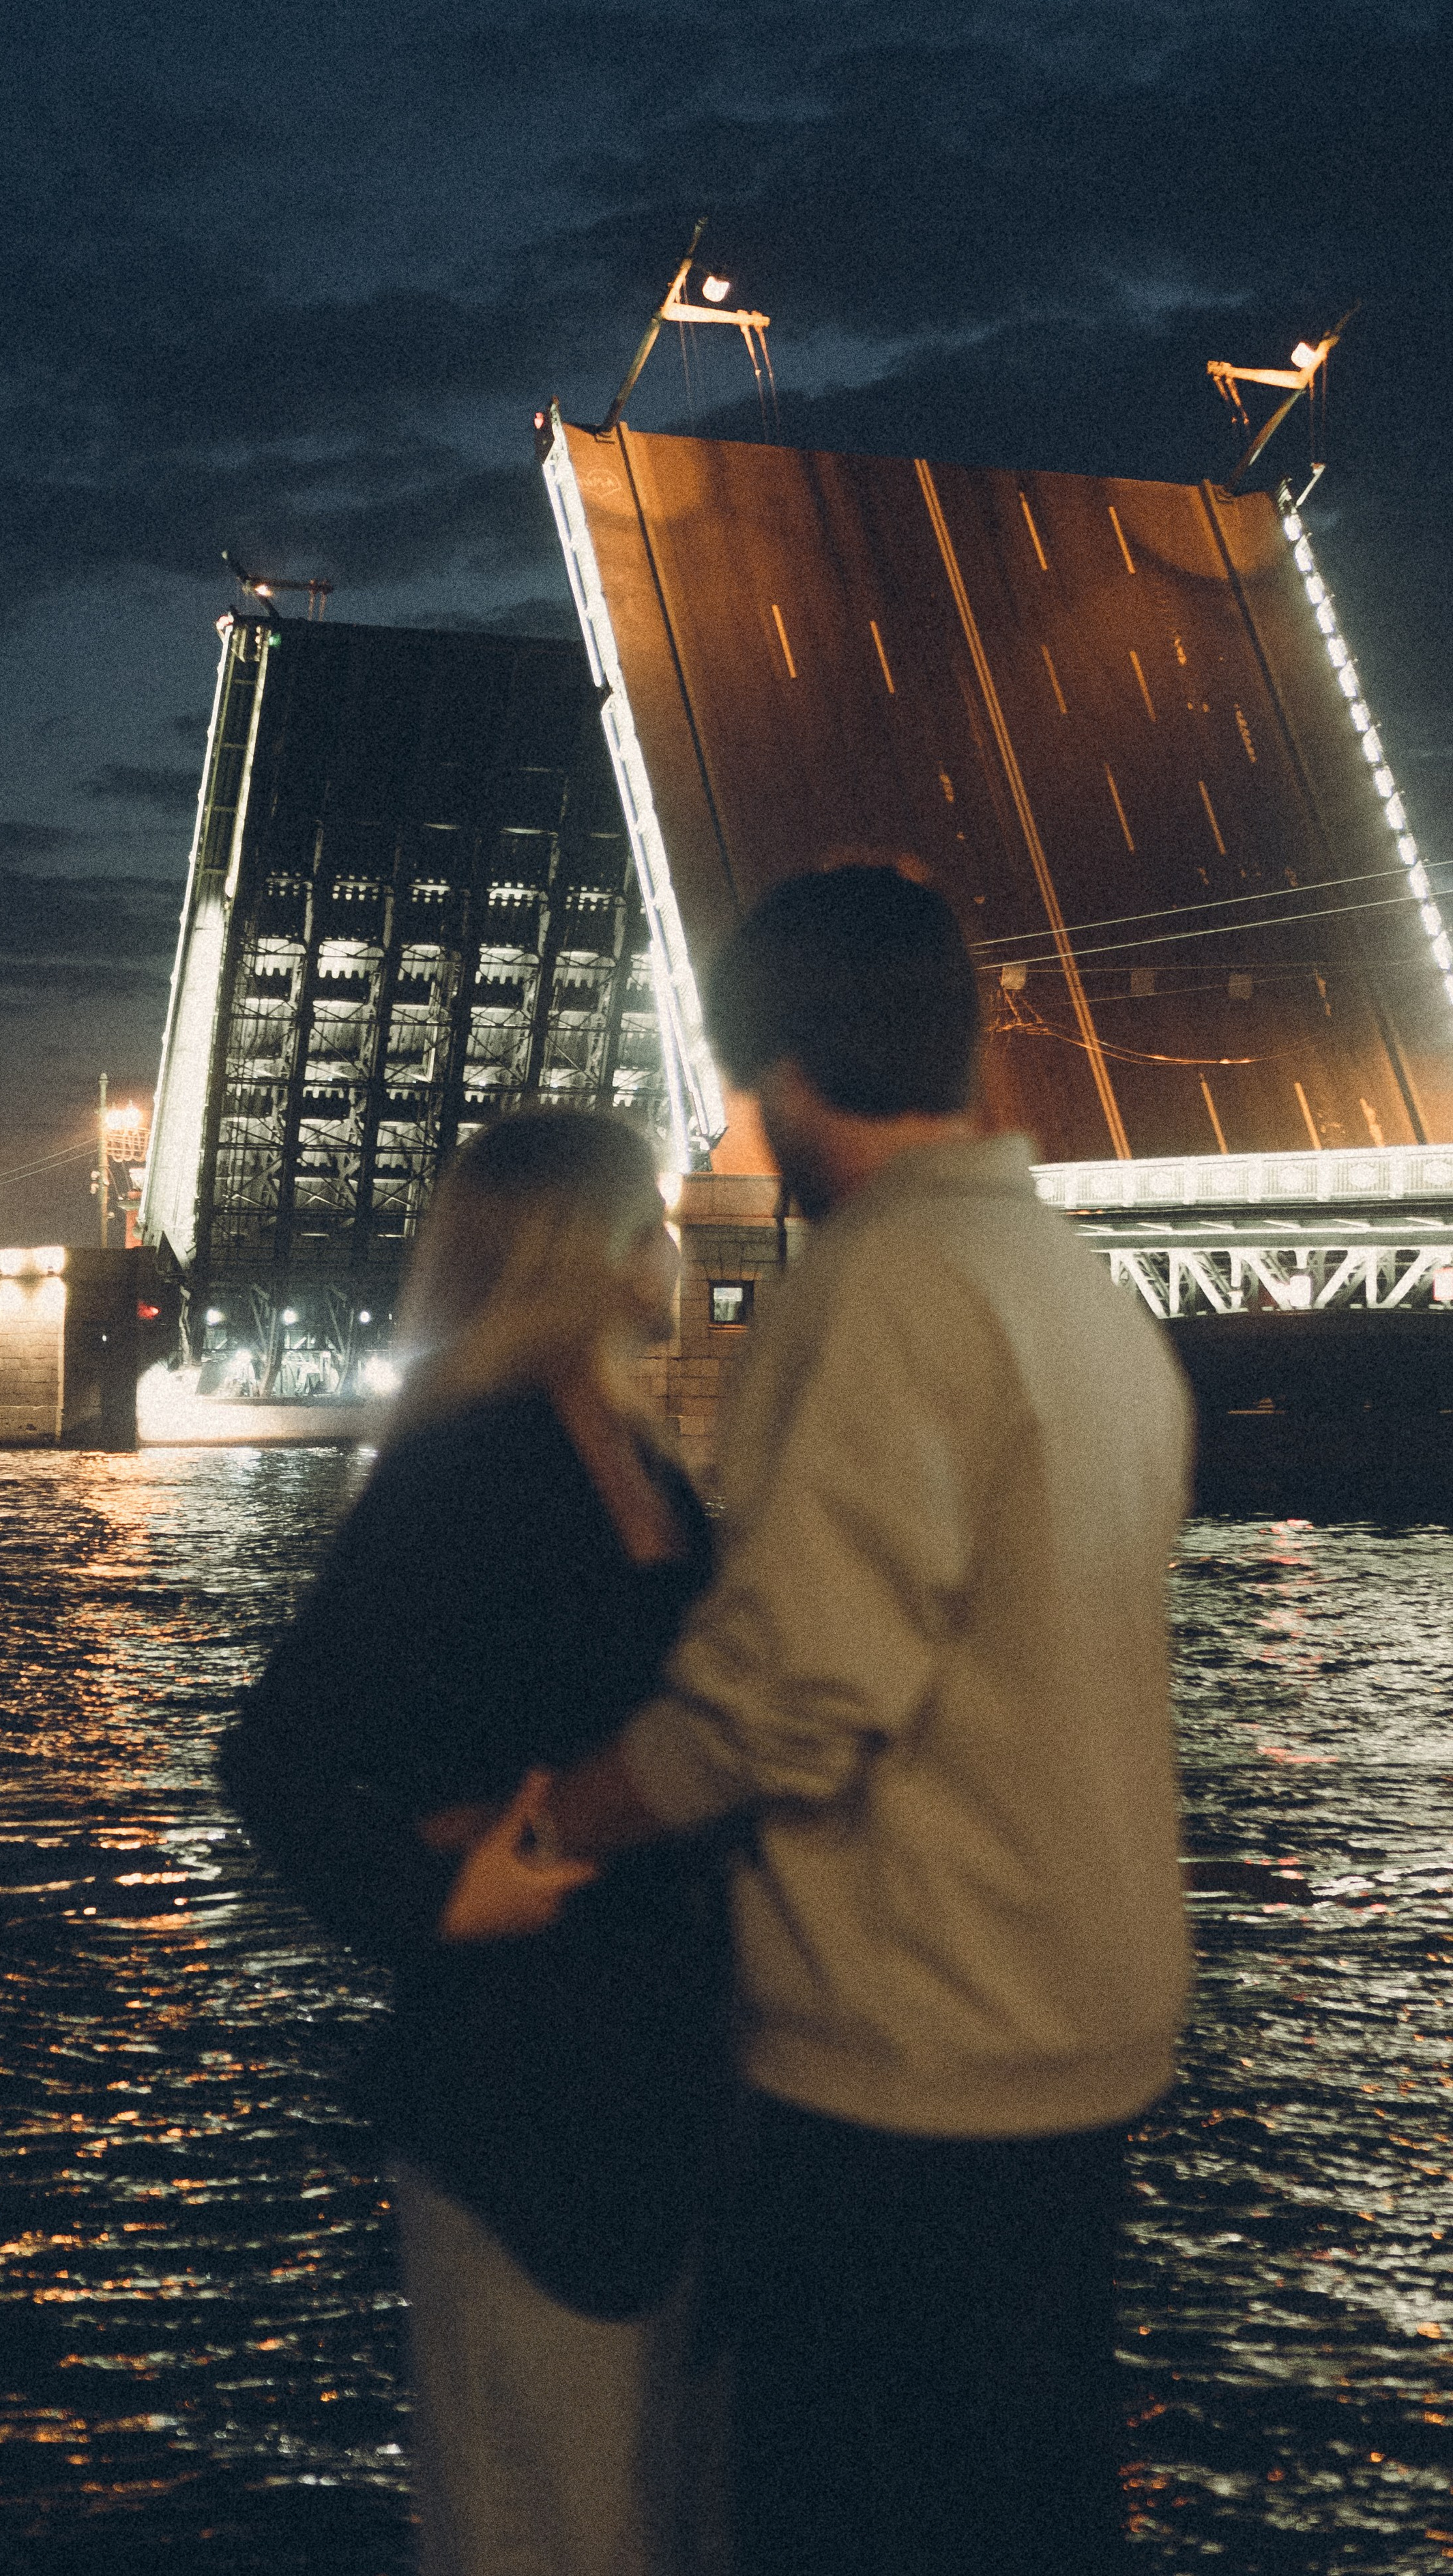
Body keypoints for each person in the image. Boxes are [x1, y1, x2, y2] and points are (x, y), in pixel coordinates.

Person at [502, 865, 1197, 2574]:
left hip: (909, 2061)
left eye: (752, 1089)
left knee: (850, 2518)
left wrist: (549, 1821)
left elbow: (793, 1692)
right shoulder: (1078, 1295)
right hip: (1084, 2028)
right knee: (1027, 2516)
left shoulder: (880, 1287)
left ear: (792, 1073)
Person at [220, 1109, 733, 2576]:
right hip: (516, 2090)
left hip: (664, 2080)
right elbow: (277, 1758)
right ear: (587, 1248)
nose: (675, 1243)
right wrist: (443, 1897)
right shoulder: (471, 1469)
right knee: (544, 2529)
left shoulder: (645, 1462)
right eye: (650, 1216)